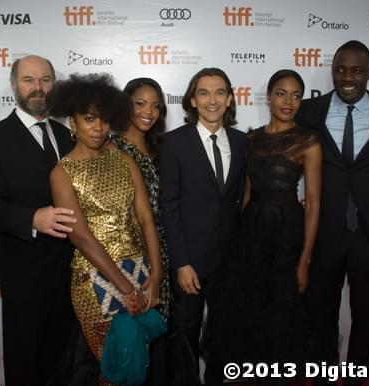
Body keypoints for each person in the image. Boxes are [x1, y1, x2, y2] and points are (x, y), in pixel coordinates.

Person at [295, 40, 369, 384]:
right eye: (340, 69)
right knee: (321, 314)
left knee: (364, 315)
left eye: (357, 70)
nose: (348, 77)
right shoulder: (309, 111)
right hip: (323, 233)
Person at [48, 73, 163, 385]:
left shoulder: (125, 160)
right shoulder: (63, 173)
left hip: (139, 270)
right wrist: (126, 289)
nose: (97, 128)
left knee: (139, 360)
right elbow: (81, 237)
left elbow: (146, 219)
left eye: (103, 120)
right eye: (88, 119)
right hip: (95, 279)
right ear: (72, 122)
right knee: (114, 366)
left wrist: (155, 276)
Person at [0, 55, 78, 386]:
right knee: (25, 360)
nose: (38, 88)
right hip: (25, 272)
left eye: (45, 80)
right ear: (14, 85)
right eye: (29, 80)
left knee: (65, 357)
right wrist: (32, 217)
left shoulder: (68, 135)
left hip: (72, 272)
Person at [214, 70, 321, 379]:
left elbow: (313, 203)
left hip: (288, 230)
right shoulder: (252, 138)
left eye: (296, 95)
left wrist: (305, 258)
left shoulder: (308, 141)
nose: (288, 101)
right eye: (281, 93)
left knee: (283, 312)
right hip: (252, 232)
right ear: (269, 96)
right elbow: (247, 192)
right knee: (250, 306)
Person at [159, 67, 246, 384]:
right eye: (204, 93)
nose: (213, 100)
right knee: (185, 335)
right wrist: (181, 262)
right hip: (190, 262)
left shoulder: (241, 142)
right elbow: (170, 206)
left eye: (220, 92)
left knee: (222, 333)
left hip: (227, 261)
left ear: (230, 98)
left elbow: (237, 201)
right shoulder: (174, 144)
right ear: (192, 101)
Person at [111, 77, 171, 322]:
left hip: (166, 250)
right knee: (135, 328)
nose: (149, 112)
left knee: (162, 326)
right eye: (140, 104)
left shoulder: (163, 148)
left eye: (156, 106)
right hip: (132, 253)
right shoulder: (112, 150)